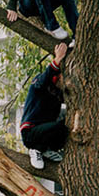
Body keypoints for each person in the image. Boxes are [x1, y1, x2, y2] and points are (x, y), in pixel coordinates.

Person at [19, 41, 69, 171]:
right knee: (62, 126)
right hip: (31, 133)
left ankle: (46, 149)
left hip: (45, 132)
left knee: (66, 126)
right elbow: (46, 76)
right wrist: (58, 59)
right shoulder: (40, 83)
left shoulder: (58, 93)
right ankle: (36, 149)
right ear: (57, 77)